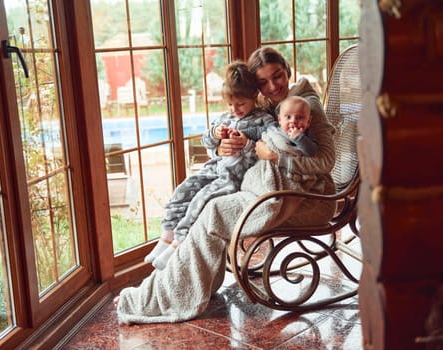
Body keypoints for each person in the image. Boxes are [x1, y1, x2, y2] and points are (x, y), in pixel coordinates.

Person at [115, 47, 336, 325]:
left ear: (287, 71)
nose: (272, 86)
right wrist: (223, 147)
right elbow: (243, 149)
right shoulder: (267, 108)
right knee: (208, 204)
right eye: (263, 82)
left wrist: (277, 157)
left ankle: (163, 294)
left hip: (306, 199)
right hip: (264, 188)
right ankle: (165, 285)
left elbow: (327, 161)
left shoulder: (304, 106)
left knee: (215, 211)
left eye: (277, 76)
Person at [145, 60, 276, 270]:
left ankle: (179, 245)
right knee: (183, 190)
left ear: (254, 96)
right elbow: (206, 141)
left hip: (235, 176)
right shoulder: (225, 117)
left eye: (241, 104)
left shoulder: (263, 120)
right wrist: (215, 135)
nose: (235, 110)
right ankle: (166, 237)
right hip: (213, 169)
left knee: (201, 199)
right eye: (231, 105)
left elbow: (272, 144)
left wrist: (247, 143)